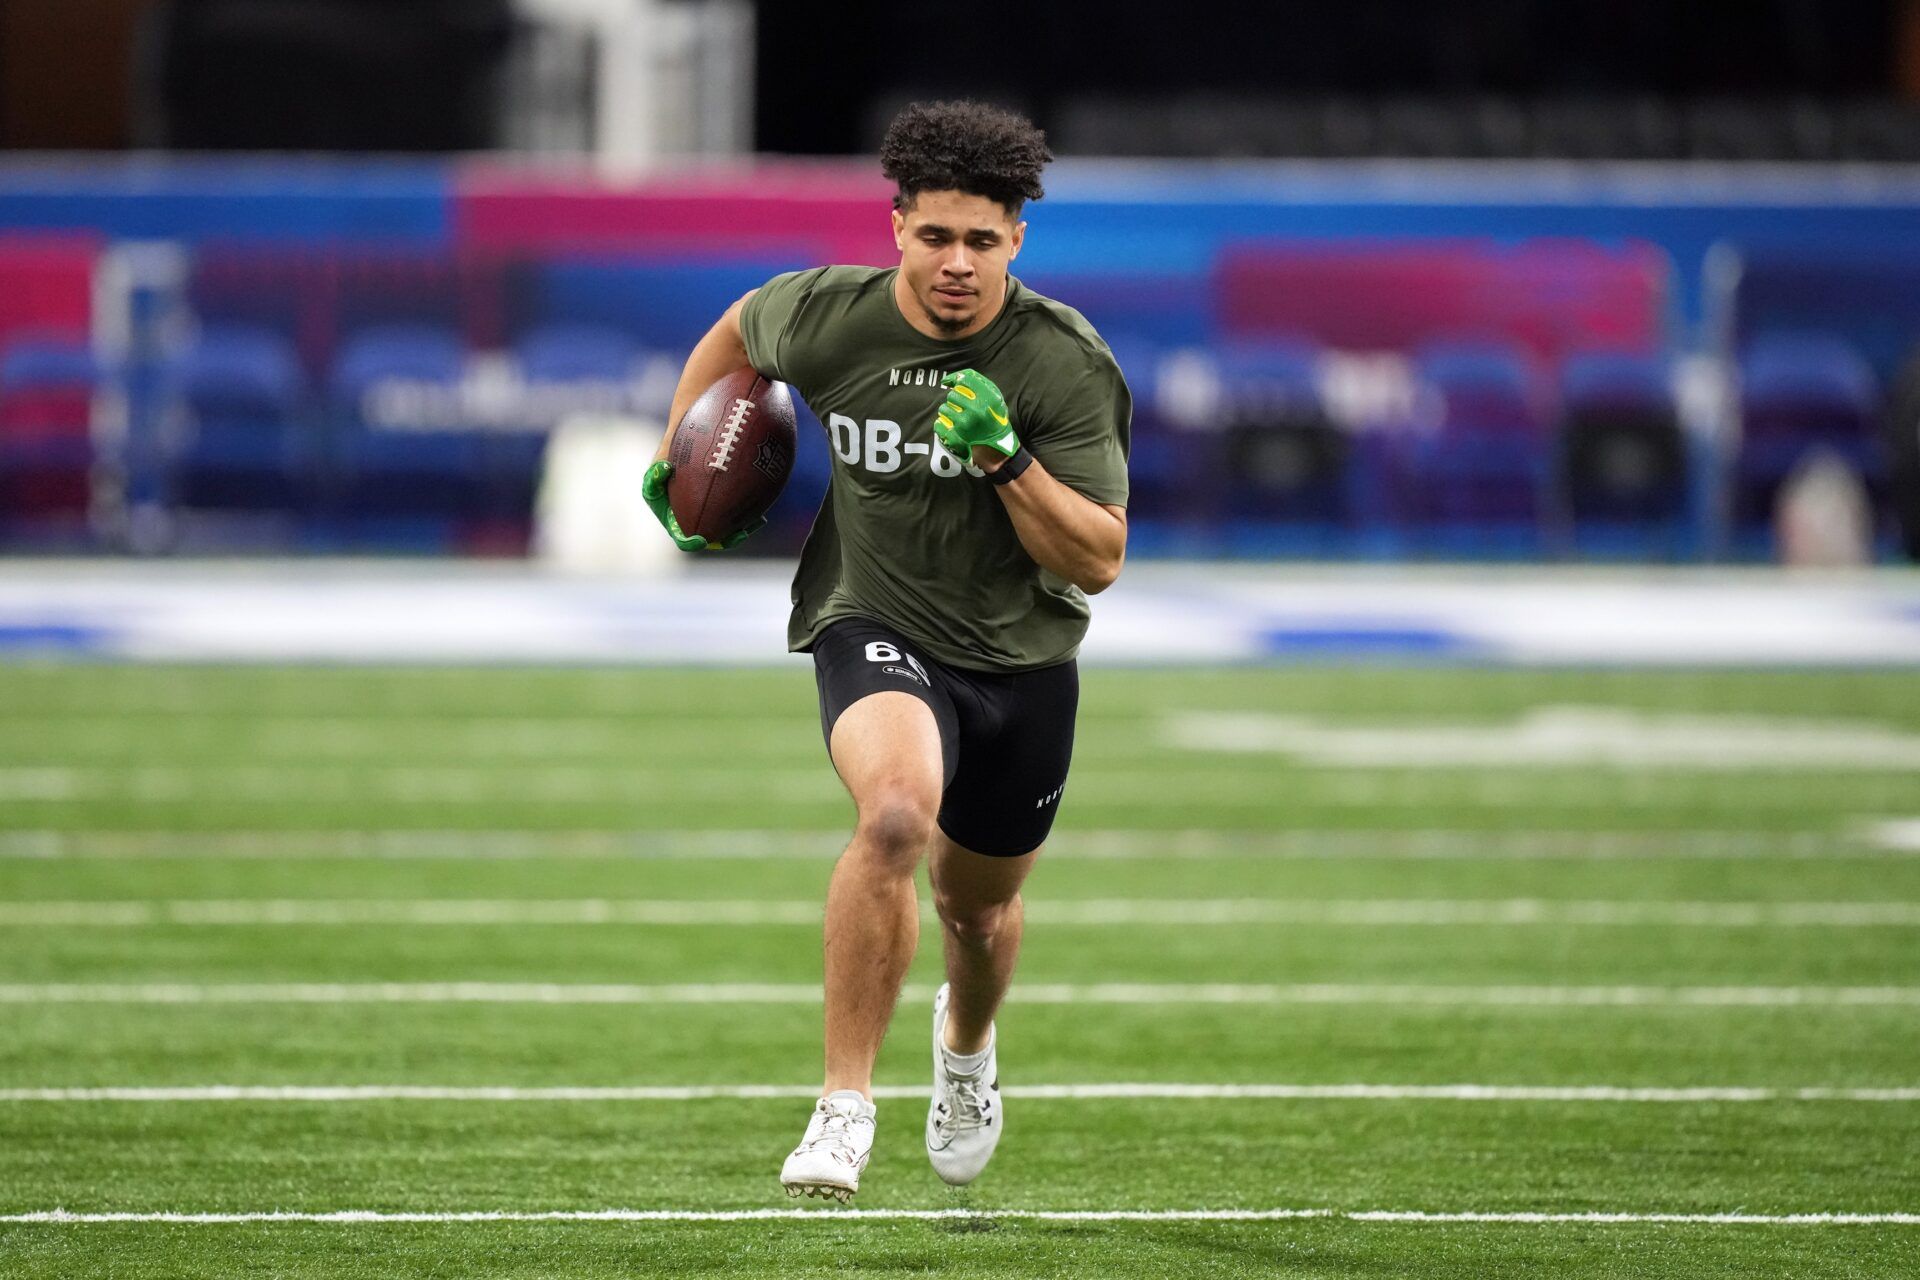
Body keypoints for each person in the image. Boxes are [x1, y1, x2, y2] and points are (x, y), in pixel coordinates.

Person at [642, 100, 1131, 1201]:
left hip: (1020, 660)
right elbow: (736, 333)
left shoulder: (1060, 362)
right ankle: (843, 1106)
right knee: (898, 813)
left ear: (1018, 240)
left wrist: (1006, 457)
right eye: (935, 235)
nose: (957, 263)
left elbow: (1098, 557)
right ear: (897, 224)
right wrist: (681, 459)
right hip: (875, 620)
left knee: (980, 909)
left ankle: (963, 1051)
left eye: (982, 240)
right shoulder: (826, 314)